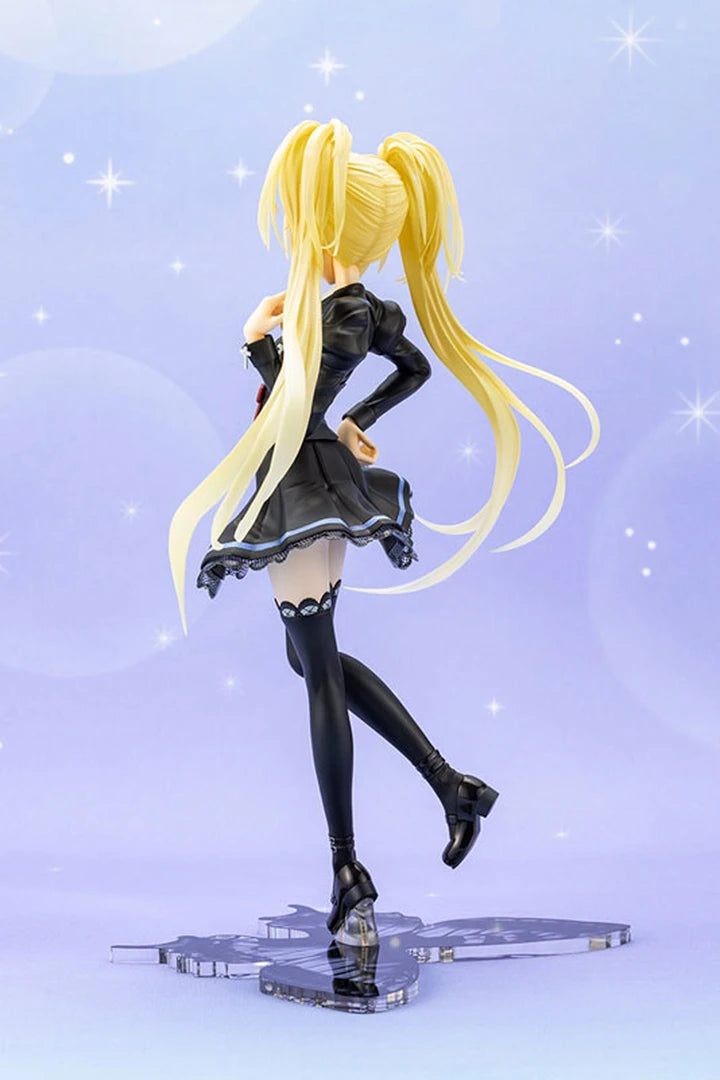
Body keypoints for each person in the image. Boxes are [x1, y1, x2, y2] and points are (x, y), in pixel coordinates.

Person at [168, 119, 600, 946]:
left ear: (326, 228)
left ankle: (348, 872)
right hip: (321, 476)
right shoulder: (369, 310)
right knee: (310, 658)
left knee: (316, 671)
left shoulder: (328, 314)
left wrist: (255, 341)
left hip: (301, 483)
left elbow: (289, 403)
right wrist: (359, 418)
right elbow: (414, 368)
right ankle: (451, 787)